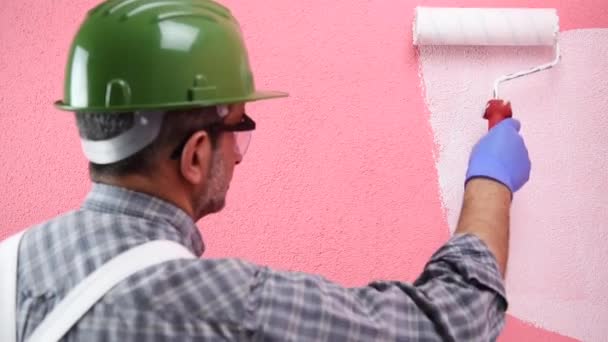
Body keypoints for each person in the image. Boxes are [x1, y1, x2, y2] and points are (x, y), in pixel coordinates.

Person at [11, 0, 530, 341]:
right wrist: (491, 182)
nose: (238, 152)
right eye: (239, 127)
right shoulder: (231, 309)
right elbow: (451, 324)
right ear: (194, 156)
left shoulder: (13, 266)